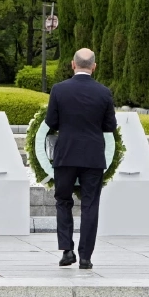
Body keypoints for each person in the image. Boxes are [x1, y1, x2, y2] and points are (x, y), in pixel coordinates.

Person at [45, 48, 116, 270]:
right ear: (94, 66)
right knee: (90, 205)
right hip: (93, 156)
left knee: (63, 201)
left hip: (65, 154)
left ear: (72, 64)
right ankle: (85, 257)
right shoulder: (104, 92)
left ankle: (67, 250)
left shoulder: (59, 90)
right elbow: (110, 126)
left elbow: (51, 122)